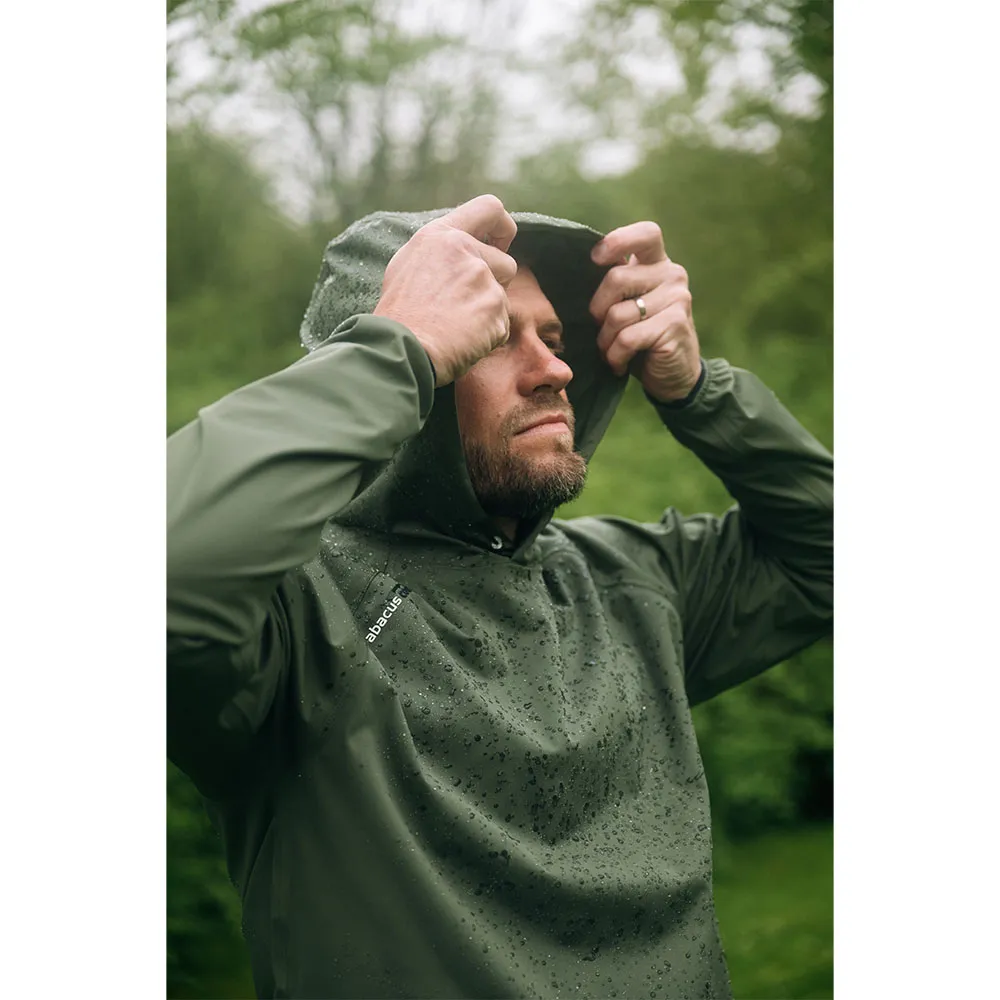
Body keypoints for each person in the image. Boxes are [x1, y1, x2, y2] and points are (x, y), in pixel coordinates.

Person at [167, 194, 832, 999]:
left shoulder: (628, 583)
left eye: (556, 339)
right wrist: (392, 353)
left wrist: (698, 391)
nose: (557, 370)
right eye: (491, 337)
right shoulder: (294, 619)